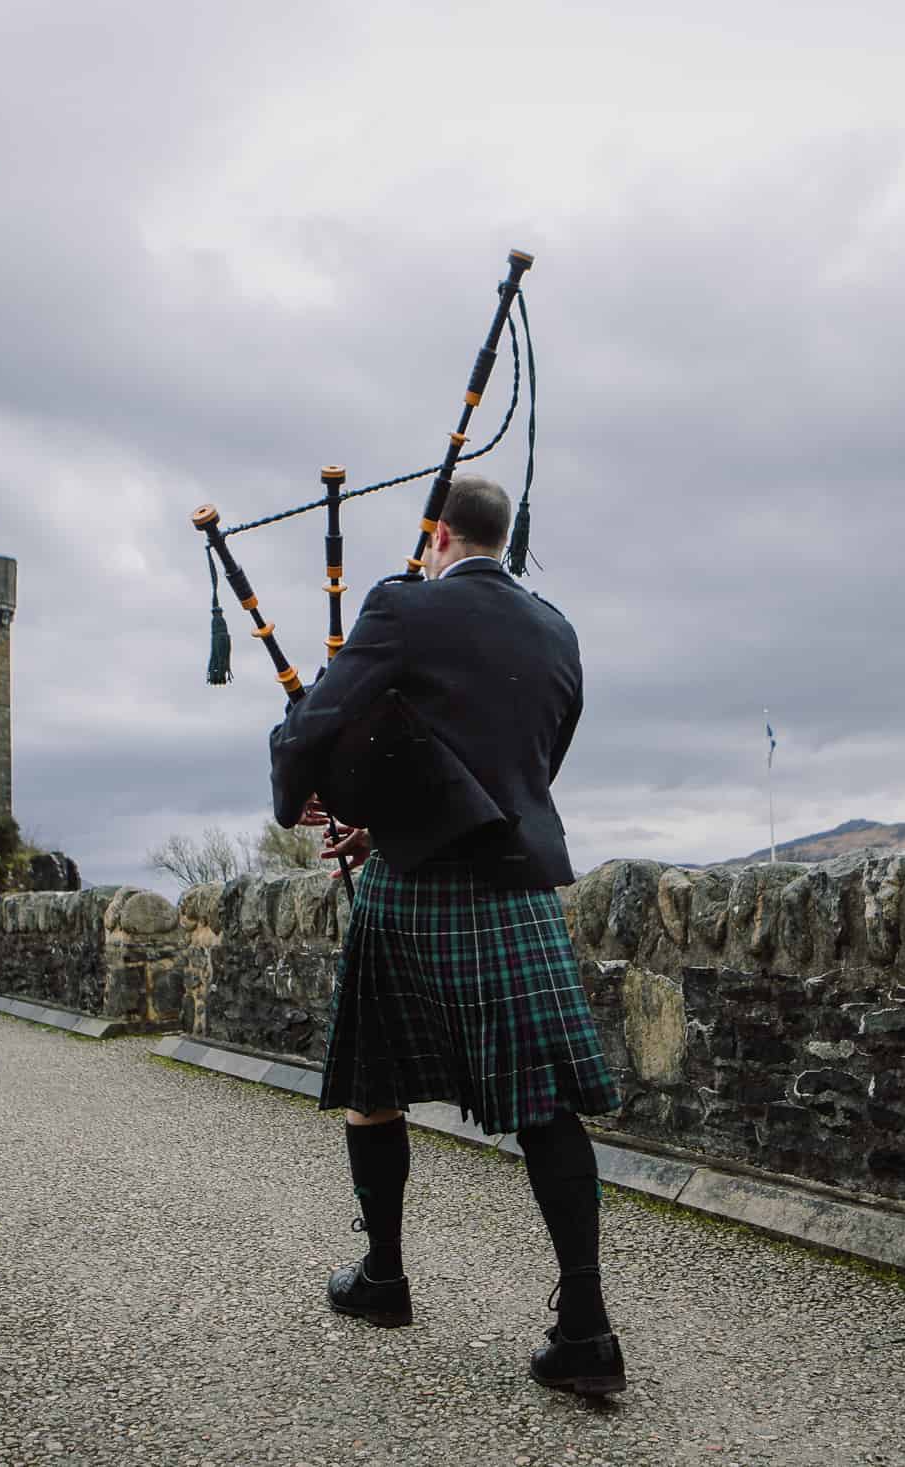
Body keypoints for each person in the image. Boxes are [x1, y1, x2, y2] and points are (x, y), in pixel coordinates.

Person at [267, 474, 627, 1396]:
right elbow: (518, 763)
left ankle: (384, 1279)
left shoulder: (403, 608)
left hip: (417, 894)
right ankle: (584, 1328)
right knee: (546, 1105)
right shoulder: (558, 631)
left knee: (372, 1082)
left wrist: (307, 793)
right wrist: (387, 819)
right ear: (500, 540)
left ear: (436, 538)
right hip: (516, 890)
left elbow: (317, 720)